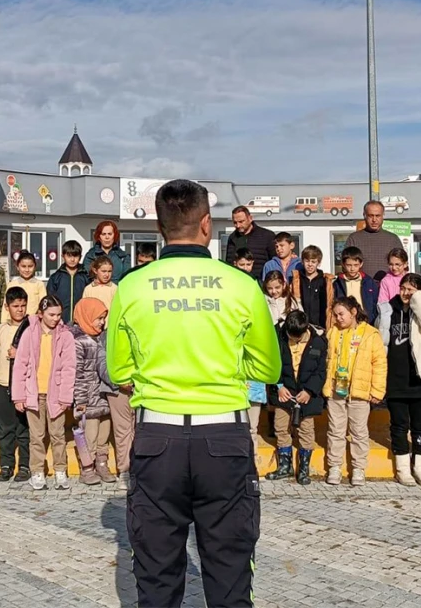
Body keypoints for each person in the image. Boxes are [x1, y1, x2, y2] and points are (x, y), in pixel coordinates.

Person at [106, 179, 280, 608]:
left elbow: (119, 369)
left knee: (157, 578)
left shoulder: (132, 286)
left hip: (156, 440)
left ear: (161, 230)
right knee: (229, 574)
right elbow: (268, 368)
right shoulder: (241, 285)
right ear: (207, 224)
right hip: (224, 437)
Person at [376, 274, 421, 487]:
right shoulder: (387, 309)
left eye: (412, 289)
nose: (407, 293)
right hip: (396, 380)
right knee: (399, 425)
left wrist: (420, 302)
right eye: (404, 288)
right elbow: (380, 342)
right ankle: (402, 468)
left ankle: (420, 466)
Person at [12, 295, 76, 490]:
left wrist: (66, 396)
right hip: (34, 392)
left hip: (55, 394)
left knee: (58, 435)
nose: (55, 318)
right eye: (51, 314)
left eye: (58, 314)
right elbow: (20, 364)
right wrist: (19, 395)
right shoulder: (29, 334)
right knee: (36, 436)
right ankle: (37, 472)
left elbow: (69, 367)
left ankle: (60, 471)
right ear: (41, 314)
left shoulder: (66, 335)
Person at [323, 296, 387, 487]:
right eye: (335, 315)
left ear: (353, 312)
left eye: (341, 314)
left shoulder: (370, 334)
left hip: (360, 391)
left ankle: (358, 468)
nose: (338, 319)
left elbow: (380, 364)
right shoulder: (333, 332)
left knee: (359, 431)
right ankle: (334, 466)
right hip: (337, 389)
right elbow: (328, 359)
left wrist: (377, 390)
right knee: (335, 430)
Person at [267, 310, 326, 485]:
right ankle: (285, 467)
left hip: (306, 395)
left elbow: (321, 371)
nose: (294, 341)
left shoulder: (318, 341)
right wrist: (278, 385)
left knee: (306, 430)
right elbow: (271, 363)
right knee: (281, 427)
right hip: (284, 391)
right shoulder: (277, 337)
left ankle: (303, 469)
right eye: (291, 337)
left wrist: (309, 391)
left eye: (297, 338)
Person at [0, 288, 32, 482]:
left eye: (23, 306)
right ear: (7, 307)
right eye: (15, 306)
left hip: (23, 386)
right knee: (5, 428)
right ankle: (6, 465)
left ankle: (25, 465)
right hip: (2, 383)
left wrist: (20, 354)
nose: (20, 310)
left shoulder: (32, 328)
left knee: (23, 428)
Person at [71, 298, 115, 485]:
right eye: (98, 318)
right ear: (87, 317)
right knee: (90, 434)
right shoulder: (79, 341)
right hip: (88, 398)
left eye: (104, 318)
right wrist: (80, 400)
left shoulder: (102, 338)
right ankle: (87, 468)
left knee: (104, 433)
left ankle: (102, 463)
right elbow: (77, 373)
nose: (102, 322)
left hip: (103, 394)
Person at [343, 200, 404, 279]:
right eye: (371, 216)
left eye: (378, 215)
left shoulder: (393, 239)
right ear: (364, 215)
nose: (374, 220)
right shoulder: (354, 239)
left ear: (383, 215)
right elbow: (345, 265)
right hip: (361, 287)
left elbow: (402, 266)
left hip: (387, 288)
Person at [224, 205, 277, 280]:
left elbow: (276, 261)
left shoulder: (267, 236)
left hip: (261, 283)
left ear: (250, 218)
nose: (238, 225)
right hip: (239, 282)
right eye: (235, 223)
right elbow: (229, 263)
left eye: (241, 221)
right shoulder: (232, 238)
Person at [290, 245, 334, 330]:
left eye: (313, 262)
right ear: (302, 262)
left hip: (321, 326)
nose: (310, 265)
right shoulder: (297, 280)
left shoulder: (325, 281)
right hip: (302, 326)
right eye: (307, 261)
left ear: (319, 263)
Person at [333, 246, 380, 325]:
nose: (352, 269)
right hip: (345, 322)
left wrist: (372, 318)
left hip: (366, 322)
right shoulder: (337, 284)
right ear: (343, 264)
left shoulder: (369, 282)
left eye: (355, 265)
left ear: (361, 264)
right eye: (349, 265)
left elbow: (375, 303)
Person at [47, 240, 90, 324]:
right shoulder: (55, 277)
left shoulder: (86, 276)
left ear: (80, 257)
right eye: (69, 256)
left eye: (75, 256)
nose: (72, 259)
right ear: (63, 256)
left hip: (81, 322)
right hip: (60, 321)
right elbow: (50, 300)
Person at [4, 250, 47, 324]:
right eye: (23, 266)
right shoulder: (12, 284)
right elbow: (6, 307)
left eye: (30, 266)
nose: (27, 270)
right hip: (15, 324)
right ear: (17, 267)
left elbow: (44, 306)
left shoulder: (39, 285)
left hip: (34, 323)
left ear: (35, 266)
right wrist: (5, 323)